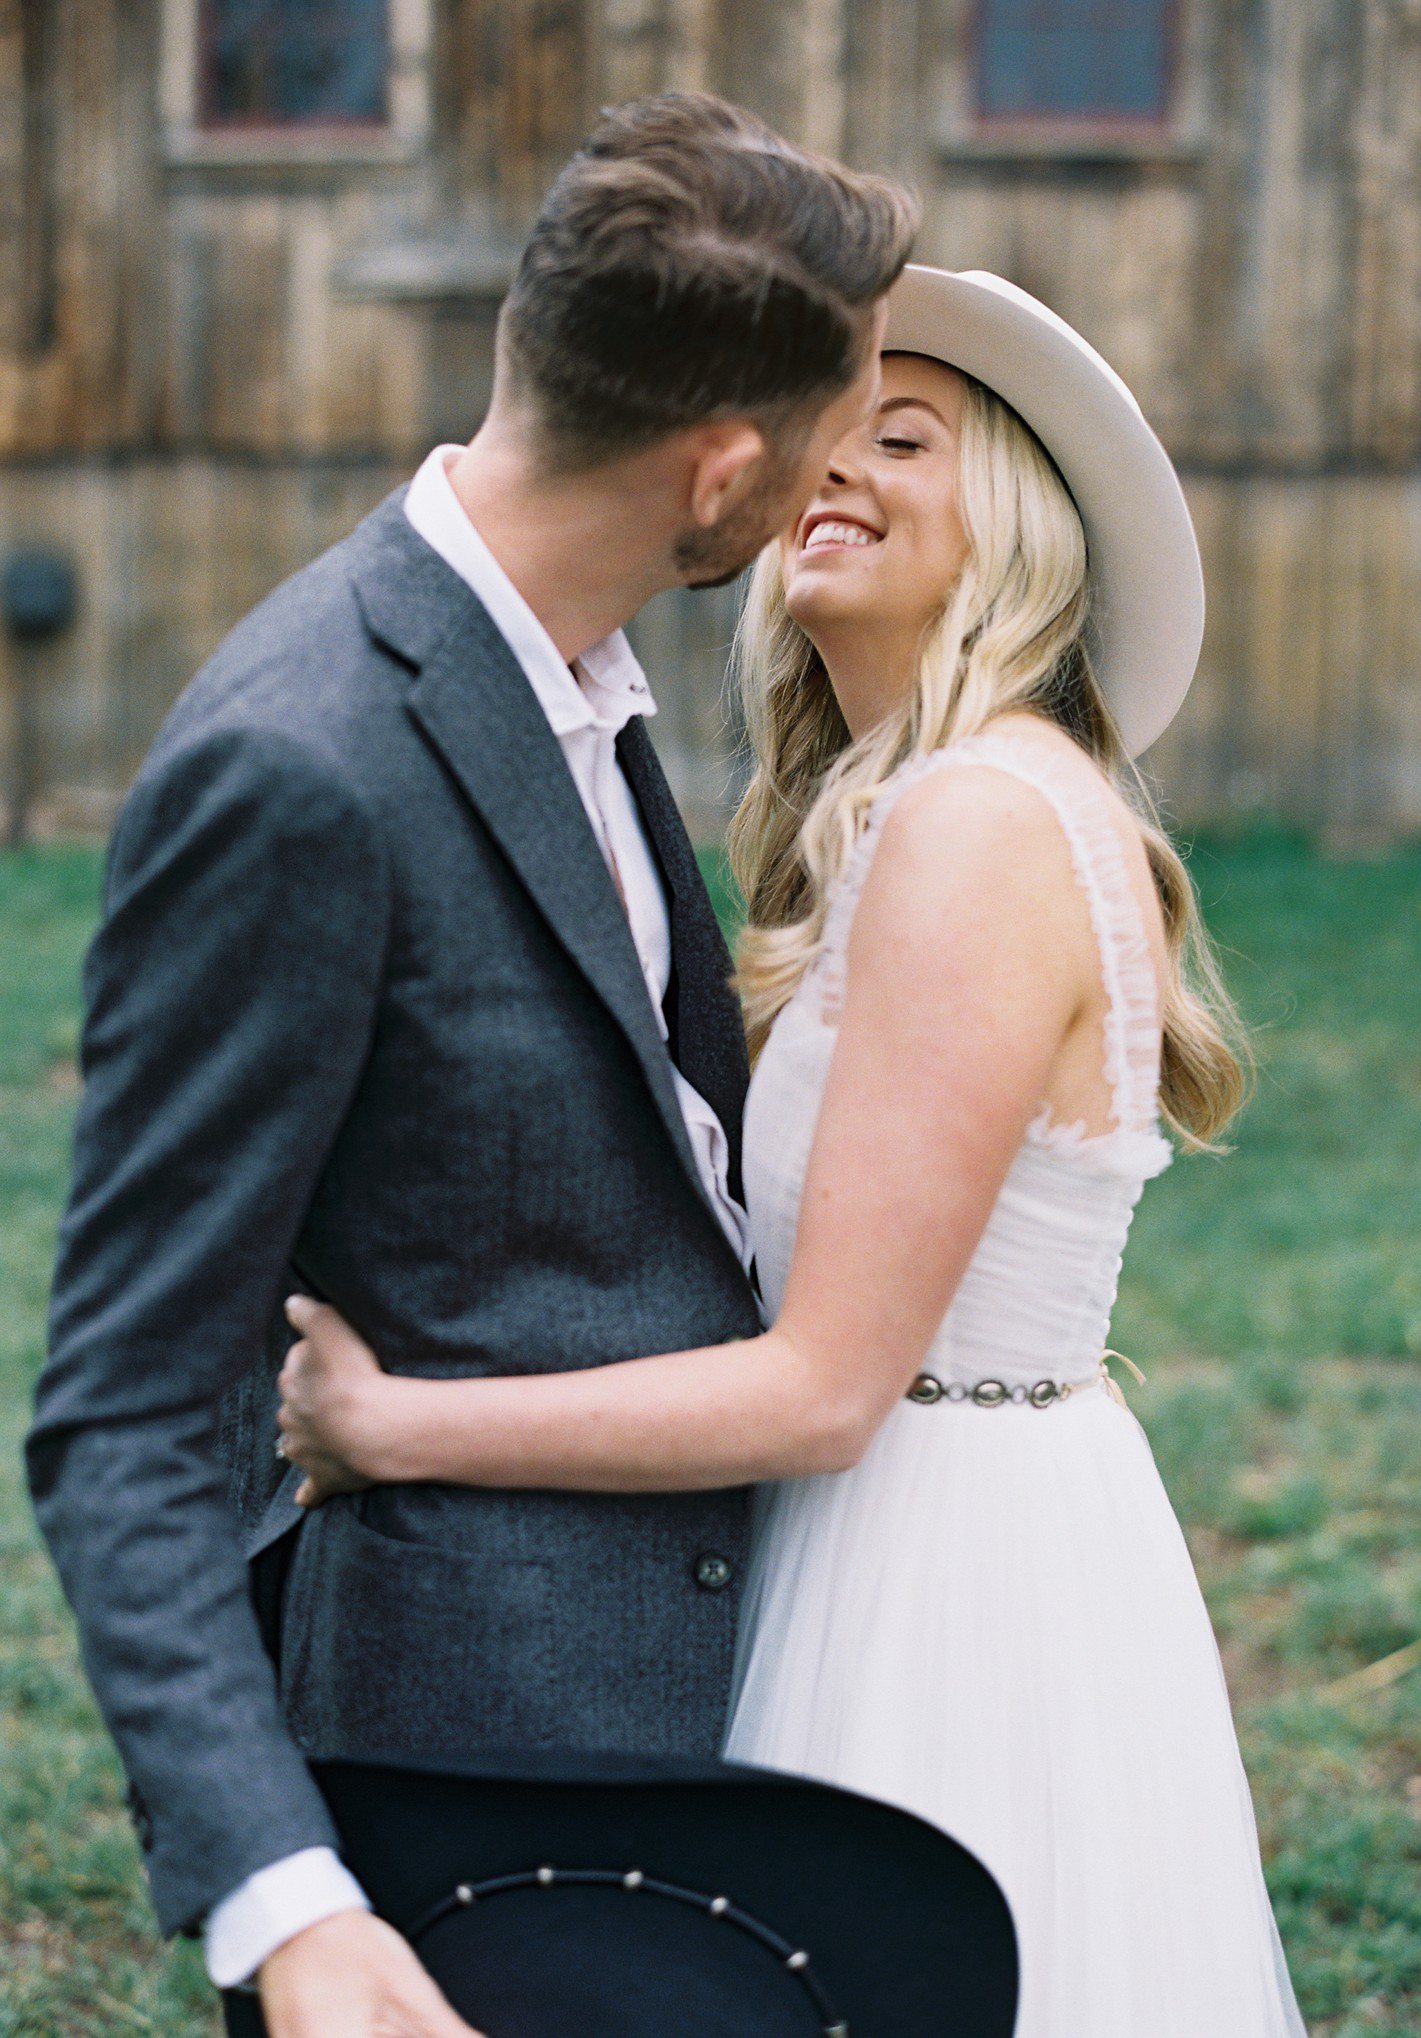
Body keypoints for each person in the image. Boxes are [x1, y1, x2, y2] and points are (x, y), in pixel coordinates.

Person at [278, 268, 1310, 2036]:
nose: (832, 470)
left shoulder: (976, 824)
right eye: (822, 439)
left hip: (931, 1575)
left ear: (1019, 528)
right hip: (974, 1517)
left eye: (902, 439)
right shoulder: (960, 802)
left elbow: (828, 1386)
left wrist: (389, 1427)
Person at [26, 93, 917, 2038]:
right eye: (834, 440)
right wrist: (288, 1900)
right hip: (462, 1796)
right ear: (724, 471)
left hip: (695, 1710)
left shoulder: (575, 677)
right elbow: (120, 1413)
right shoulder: (302, 760)